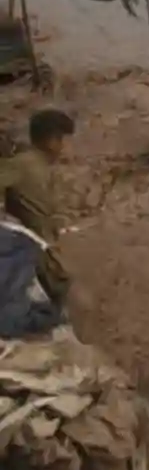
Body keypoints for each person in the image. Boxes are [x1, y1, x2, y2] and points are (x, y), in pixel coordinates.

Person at [0, 109, 76, 338]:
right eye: (65, 140)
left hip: (46, 242)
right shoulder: (23, 164)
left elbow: (51, 207)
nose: (67, 147)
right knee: (60, 288)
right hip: (31, 244)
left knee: (63, 287)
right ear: (52, 140)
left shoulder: (43, 166)